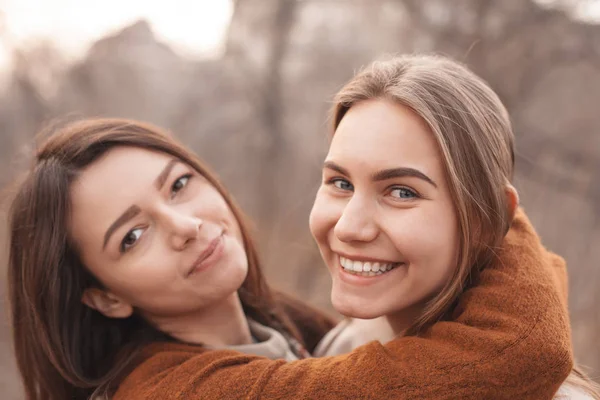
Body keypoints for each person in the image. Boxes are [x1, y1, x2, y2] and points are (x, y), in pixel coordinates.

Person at [6, 110, 572, 399]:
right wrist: (490, 211)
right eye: (133, 236)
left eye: (178, 184)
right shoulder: (170, 391)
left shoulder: (279, 329)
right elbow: (518, 353)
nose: (184, 225)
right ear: (104, 296)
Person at [308, 54, 599, 399]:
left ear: (486, 221)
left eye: (402, 192)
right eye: (341, 183)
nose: (348, 227)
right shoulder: (339, 349)